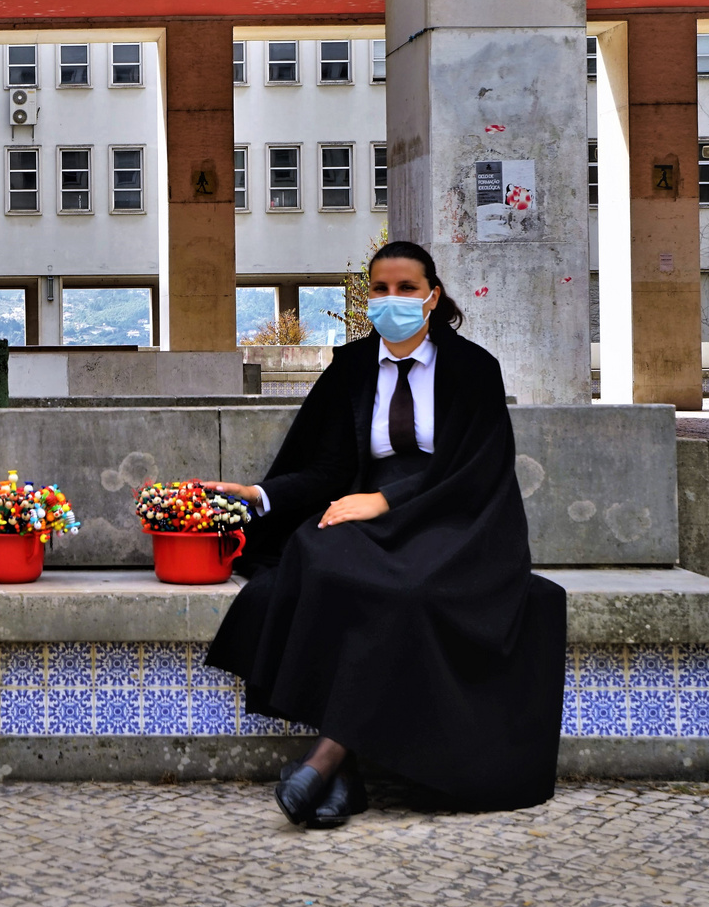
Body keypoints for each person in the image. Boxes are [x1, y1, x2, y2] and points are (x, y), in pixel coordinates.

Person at [203, 240, 566, 828]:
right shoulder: (350, 368)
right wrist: (260, 496)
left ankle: (328, 759)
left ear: (432, 297)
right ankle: (342, 779)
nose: (391, 299)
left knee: (412, 592)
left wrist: (386, 500)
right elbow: (323, 468)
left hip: (454, 515)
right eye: (380, 289)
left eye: (405, 288)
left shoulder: (474, 370)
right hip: (361, 504)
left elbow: (475, 467)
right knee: (321, 563)